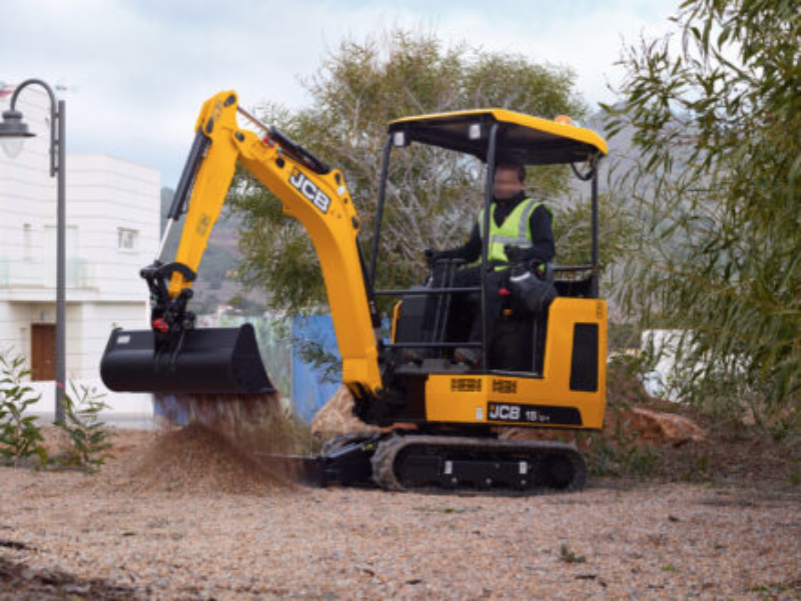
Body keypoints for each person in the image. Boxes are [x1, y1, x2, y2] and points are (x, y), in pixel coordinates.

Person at [426, 160, 555, 365]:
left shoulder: (535, 211)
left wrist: (522, 254)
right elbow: (471, 252)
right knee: (442, 281)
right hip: (489, 269)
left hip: (523, 275)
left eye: (507, 182)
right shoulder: (485, 213)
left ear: (521, 184)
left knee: (492, 281)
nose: (501, 187)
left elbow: (547, 250)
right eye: (497, 182)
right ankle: (429, 347)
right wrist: (441, 256)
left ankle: (475, 349)